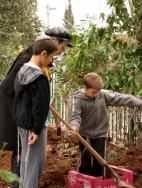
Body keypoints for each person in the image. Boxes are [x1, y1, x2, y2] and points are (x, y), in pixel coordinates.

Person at [0, 26, 73, 188]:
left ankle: (20, 184)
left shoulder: (34, 55)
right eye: (64, 46)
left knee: (23, 151)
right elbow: (15, 87)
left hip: (21, 106)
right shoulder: (28, 60)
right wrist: (35, 102)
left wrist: (38, 98)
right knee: (22, 151)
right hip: (15, 106)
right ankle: (18, 185)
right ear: (54, 42)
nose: (63, 50)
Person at [69, 72, 142, 179]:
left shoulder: (103, 94)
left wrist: (139, 102)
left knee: (100, 160)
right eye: (93, 92)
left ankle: (99, 181)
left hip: (100, 134)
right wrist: (74, 126)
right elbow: (76, 116)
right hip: (84, 135)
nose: (96, 94)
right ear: (85, 87)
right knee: (85, 158)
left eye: (98, 92)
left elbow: (120, 98)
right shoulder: (79, 100)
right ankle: (83, 180)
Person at [13, 35, 58, 188]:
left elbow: (19, 100)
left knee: (26, 163)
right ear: (44, 53)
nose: (51, 61)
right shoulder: (39, 77)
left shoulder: (22, 70)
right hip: (33, 127)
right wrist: (37, 129)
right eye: (51, 57)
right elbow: (40, 106)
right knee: (35, 165)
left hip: (23, 124)